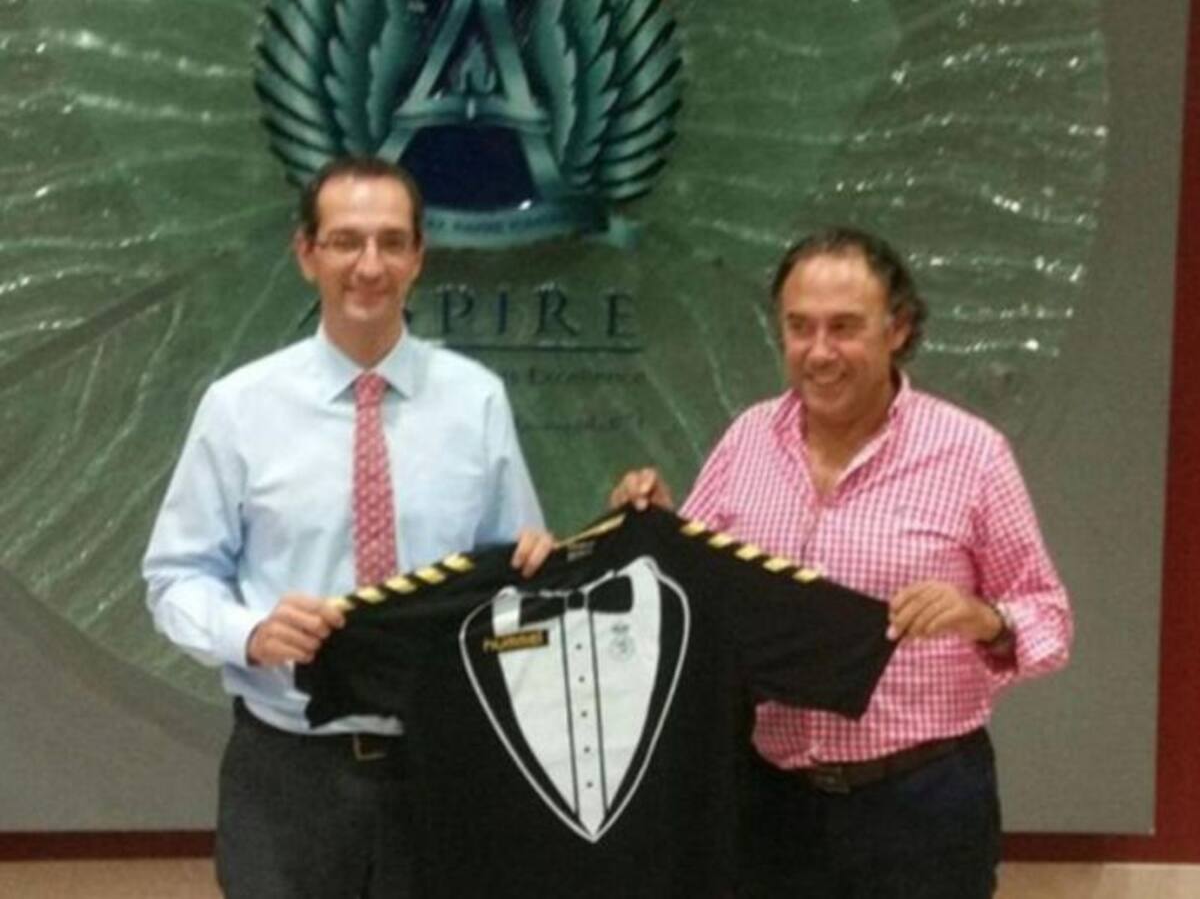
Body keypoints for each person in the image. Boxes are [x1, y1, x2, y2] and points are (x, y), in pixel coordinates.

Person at [610, 226, 1072, 898]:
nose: (819, 352)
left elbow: (1048, 617)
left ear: (898, 329)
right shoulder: (747, 442)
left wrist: (984, 619)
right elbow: (693, 594)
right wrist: (652, 524)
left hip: (922, 803)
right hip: (773, 802)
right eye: (800, 327)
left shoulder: (972, 453)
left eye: (844, 327)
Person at [143, 156, 551, 899]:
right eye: (345, 241)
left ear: (418, 257)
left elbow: (513, 579)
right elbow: (175, 577)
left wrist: (537, 570)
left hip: (441, 763)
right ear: (307, 254)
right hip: (288, 773)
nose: (369, 265)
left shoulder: (477, 402)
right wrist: (251, 631)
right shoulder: (239, 408)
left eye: (392, 242)